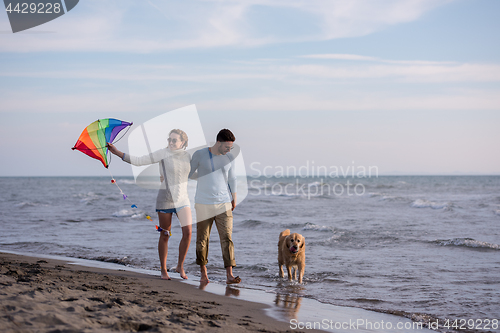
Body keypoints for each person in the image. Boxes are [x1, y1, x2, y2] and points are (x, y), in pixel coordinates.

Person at [107, 129, 192, 280]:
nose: (171, 143)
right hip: (165, 199)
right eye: (169, 139)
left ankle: (180, 266)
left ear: (183, 142)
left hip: (183, 199)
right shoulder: (163, 153)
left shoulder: (188, 156)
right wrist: (117, 152)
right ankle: (164, 270)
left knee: (188, 233)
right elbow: (139, 161)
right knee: (165, 234)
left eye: (174, 140)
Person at [189, 129, 240, 285]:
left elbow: (232, 178)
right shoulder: (199, 154)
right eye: (227, 147)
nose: (229, 150)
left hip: (223, 203)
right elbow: (189, 173)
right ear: (219, 142)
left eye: (231, 147)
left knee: (227, 238)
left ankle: (230, 275)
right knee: (202, 240)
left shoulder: (229, 158)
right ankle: (204, 274)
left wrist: (234, 198)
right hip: (203, 203)